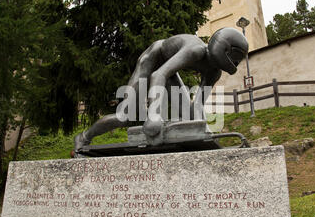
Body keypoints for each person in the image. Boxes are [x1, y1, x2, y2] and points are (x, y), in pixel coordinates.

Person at [73, 27, 248, 156]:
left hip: (167, 70)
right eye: (234, 60)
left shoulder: (214, 72)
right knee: (125, 115)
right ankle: (84, 137)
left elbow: (198, 105)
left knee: (189, 115)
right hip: (152, 61)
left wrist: (204, 131)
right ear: (225, 51)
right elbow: (159, 74)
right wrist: (154, 114)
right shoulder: (195, 50)